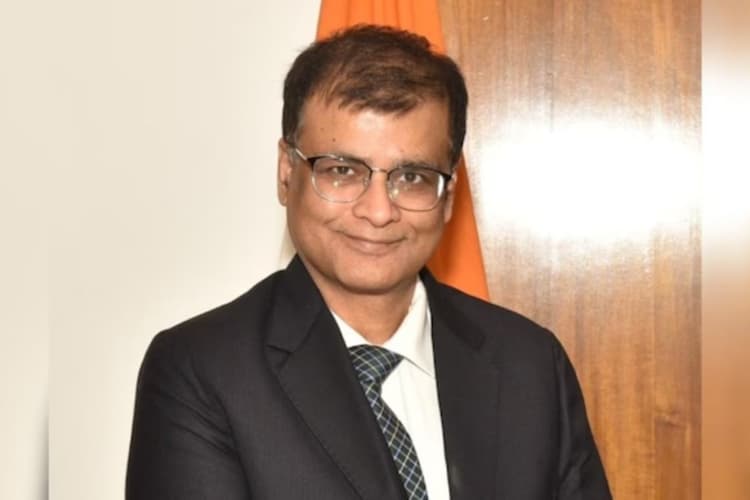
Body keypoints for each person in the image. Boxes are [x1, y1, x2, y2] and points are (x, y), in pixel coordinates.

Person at [126, 25, 611, 500]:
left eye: (412, 177)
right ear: (287, 172)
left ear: (448, 196)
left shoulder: (529, 364)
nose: (378, 211)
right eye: (342, 171)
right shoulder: (203, 371)